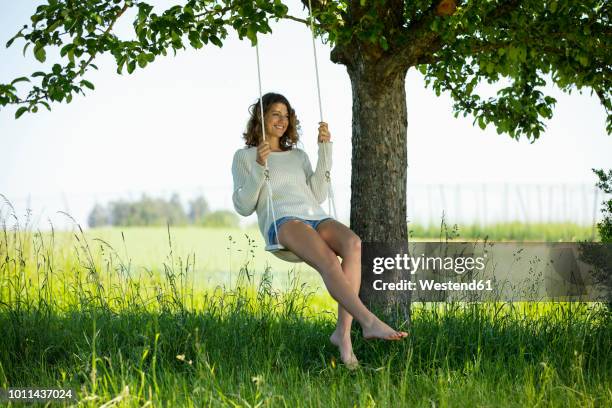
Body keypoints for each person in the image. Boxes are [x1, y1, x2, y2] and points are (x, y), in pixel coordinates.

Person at [231, 92, 407, 368]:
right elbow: (243, 206)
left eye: (285, 115)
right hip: (284, 223)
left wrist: (325, 150)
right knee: (327, 259)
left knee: (353, 244)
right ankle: (369, 321)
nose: (281, 120)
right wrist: (259, 167)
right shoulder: (245, 157)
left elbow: (317, 194)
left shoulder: (298, 156)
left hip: (313, 216)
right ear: (261, 117)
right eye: (275, 113)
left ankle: (343, 334)